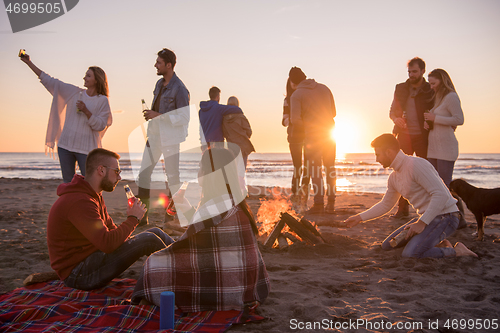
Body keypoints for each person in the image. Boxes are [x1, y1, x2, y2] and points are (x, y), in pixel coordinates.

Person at [131, 147, 270, 312]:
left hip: (228, 290)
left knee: (152, 265)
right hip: (248, 286)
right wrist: (184, 204)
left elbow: (188, 239)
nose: (198, 172)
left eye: (200, 168)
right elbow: (205, 230)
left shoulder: (213, 205)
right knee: (158, 237)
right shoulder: (233, 200)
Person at [47, 148, 175, 291]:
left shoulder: (93, 196)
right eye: (117, 172)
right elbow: (108, 244)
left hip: (91, 260)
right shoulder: (79, 201)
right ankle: (183, 276)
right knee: (149, 240)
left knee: (155, 232)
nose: (119, 177)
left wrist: (132, 223)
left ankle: (187, 258)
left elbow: (112, 233)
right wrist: (133, 219)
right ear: (101, 170)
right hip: (78, 274)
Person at [344, 134, 477, 258]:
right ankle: (437, 243)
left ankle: (457, 251)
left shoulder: (416, 165)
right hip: (426, 219)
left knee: (411, 253)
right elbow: (386, 205)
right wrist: (359, 218)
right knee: (388, 245)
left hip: (446, 217)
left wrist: (421, 223)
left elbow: (441, 195)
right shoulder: (394, 177)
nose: (377, 159)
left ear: (389, 152)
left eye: (378, 154)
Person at [20, 53, 112, 183]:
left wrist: (86, 111)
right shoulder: (74, 92)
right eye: (85, 75)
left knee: (91, 184)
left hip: (86, 150)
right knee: (68, 183)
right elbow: (49, 81)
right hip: (65, 146)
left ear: (97, 80)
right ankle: (71, 204)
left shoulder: (102, 100)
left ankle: (90, 204)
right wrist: (29, 63)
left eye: (88, 75)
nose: (84, 77)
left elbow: (101, 125)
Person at [137, 48, 190, 225]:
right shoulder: (159, 84)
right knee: (144, 174)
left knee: (173, 179)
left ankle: (170, 217)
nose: (155, 65)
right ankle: (142, 216)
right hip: (154, 137)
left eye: (159, 63)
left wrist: (158, 115)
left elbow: (184, 118)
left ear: (169, 65)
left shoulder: (180, 89)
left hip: (170, 140)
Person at [389, 57, 434, 218]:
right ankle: (402, 210)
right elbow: (392, 111)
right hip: (404, 136)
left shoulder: (430, 89)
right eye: (409, 72)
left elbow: (437, 110)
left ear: (423, 71)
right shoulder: (400, 88)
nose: (411, 75)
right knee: (402, 172)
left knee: (426, 173)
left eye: (414, 71)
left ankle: (430, 209)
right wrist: (396, 119)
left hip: (424, 137)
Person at [289, 67, 336, 214]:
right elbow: (334, 112)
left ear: (292, 81)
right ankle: (332, 203)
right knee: (330, 168)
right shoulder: (325, 88)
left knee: (316, 169)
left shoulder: (297, 95)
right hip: (329, 133)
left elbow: (295, 120)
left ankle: (319, 203)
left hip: (313, 136)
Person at [424, 69, 464, 187]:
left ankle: (454, 206)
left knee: (444, 186)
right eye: (429, 83)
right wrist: (427, 123)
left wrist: (435, 118)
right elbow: (436, 119)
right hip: (433, 149)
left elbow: (459, 119)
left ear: (442, 81)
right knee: (434, 184)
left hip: (446, 149)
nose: (431, 87)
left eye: (433, 84)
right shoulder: (438, 99)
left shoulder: (451, 97)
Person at [282, 78, 308, 208]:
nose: (296, 85)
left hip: (309, 136)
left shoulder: (306, 97)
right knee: (298, 167)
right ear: (290, 84)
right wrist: (291, 121)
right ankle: (295, 195)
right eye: (293, 83)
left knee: (308, 167)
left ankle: (304, 199)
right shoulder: (287, 100)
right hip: (294, 136)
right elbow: (284, 119)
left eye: (297, 82)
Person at [223, 96, 255, 168]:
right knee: (241, 173)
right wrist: (242, 136)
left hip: (231, 149)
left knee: (233, 173)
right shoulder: (241, 117)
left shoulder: (224, 119)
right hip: (242, 148)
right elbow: (249, 132)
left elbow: (224, 133)